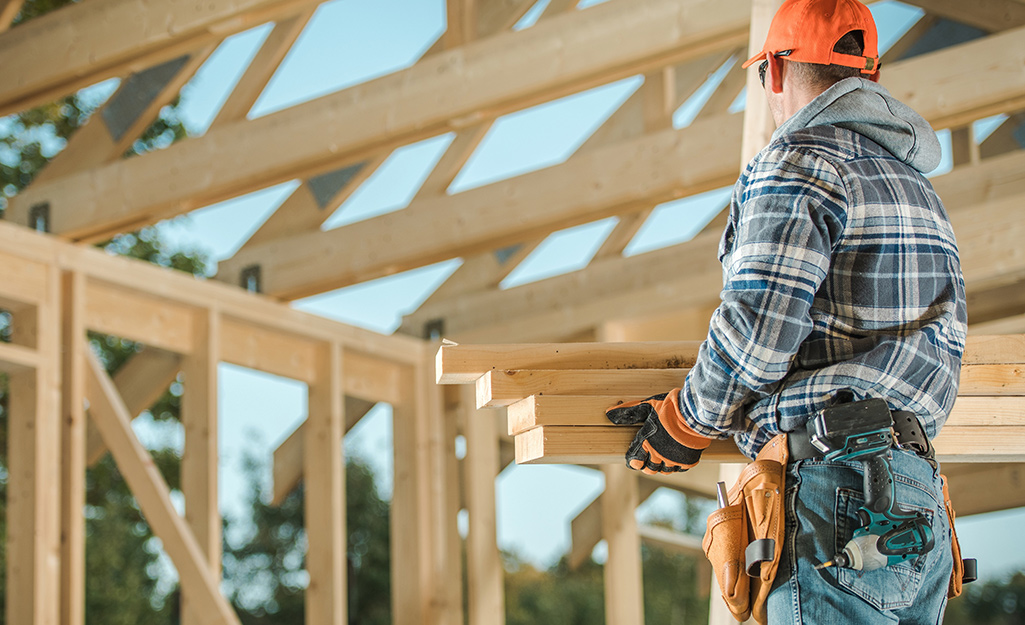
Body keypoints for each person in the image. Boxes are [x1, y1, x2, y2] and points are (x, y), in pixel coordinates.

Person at [605, 0, 967, 622]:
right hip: (918, 497)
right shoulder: (919, 190)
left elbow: (759, 328)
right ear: (867, 75)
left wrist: (687, 420)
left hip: (836, 497)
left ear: (773, 71)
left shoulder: (798, 160)